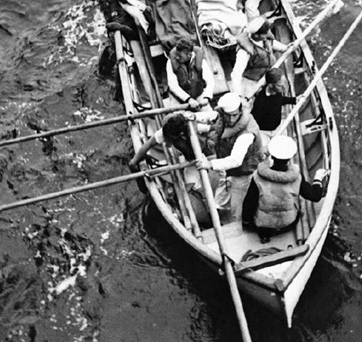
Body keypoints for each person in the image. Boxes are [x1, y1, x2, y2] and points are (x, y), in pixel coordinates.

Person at [129, 112, 220, 227]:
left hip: (206, 155)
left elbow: (214, 127)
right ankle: (207, 212)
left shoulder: (193, 126)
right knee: (193, 187)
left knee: (215, 181)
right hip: (190, 162)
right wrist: (134, 161)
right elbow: (147, 146)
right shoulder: (165, 132)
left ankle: (215, 206)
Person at [242, 135, 330, 243]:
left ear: (272, 157)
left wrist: (246, 223)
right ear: (289, 158)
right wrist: (318, 178)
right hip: (288, 224)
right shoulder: (296, 178)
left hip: (263, 228)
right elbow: (315, 196)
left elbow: (249, 204)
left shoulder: (257, 177)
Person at [195, 92, 264, 222]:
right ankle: (217, 208)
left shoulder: (247, 133)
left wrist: (210, 164)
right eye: (228, 116)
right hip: (226, 166)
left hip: (244, 170)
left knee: (238, 202)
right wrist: (193, 117)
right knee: (224, 184)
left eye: (234, 115)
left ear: (240, 110)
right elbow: (211, 116)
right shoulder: (222, 115)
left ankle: (237, 222)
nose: (231, 120)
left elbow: (236, 160)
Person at [230, 16, 290, 101]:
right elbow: (236, 74)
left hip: (268, 76)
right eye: (264, 33)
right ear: (256, 35)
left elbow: (274, 44)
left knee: (278, 90)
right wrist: (238, 95)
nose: (267, 34)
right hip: (252, 81)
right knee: (254, 103)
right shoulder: (244, 52)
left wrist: (286, 48)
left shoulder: (265, 38)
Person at [166, 37, 215, 111]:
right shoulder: (170, 62)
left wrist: (206, 97)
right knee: (177, 120)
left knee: (209, 115)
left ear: (189, 55)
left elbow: (210, 81)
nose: (177, 57)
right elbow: (172, 85)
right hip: (179, 99)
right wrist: (188, 99)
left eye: (180, 56)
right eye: (177, 54)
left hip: (198, 94)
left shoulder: (201, 61)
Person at [251, 68, 297, 144]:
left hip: (277, 128)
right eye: (280, 85)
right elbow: (253, 120)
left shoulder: (277, 91)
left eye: (283, 83)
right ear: (271, 85)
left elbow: (279, 100)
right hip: (264, 132)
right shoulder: (260, 102)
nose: (284, 87)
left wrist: (294, 100)